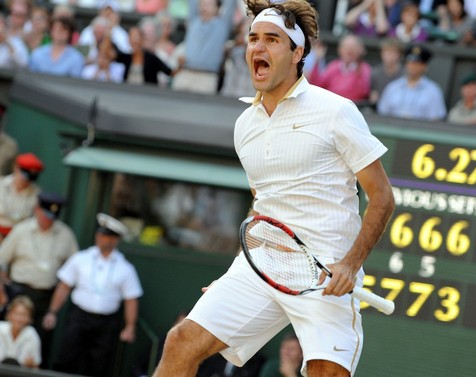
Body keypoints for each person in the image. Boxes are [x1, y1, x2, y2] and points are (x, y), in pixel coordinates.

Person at [153, 1, 395, 376]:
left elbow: (382, 197)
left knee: (326, 373)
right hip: (262, 264)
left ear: (297, 53)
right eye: (253, 39)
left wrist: (350, 264)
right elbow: (261, 206)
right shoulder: (244, 126)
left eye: (272, 40)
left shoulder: (336, 111)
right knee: (180, 342)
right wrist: (240, 263)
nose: (258, 48)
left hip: (325, 272)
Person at [43, 213, 143, 377]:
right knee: (67, 357)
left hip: (106, 322)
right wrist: (52, 312)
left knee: (98, 365)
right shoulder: (80, 258)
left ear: (115, 240)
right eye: (100, 234)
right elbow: (64, 287)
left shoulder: (126, 268)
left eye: (106, 236)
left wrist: (130, 326)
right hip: (79, 316)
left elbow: (131, 299)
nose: (100, 238)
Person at [0, 191, 78, 367]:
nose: (48, 219)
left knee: (40, 342)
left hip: (46, 297)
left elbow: (74, 269)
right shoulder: (21, 230)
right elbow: (1, 260)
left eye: (53, 217)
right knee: (9, 339)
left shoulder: (66, 235)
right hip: (19, 293)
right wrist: (2, 291)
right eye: (45, 215)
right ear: (37, 210)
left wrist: (54, 309)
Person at [172, 0, 237, 94]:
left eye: (209, 4)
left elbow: (230, 4)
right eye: (202, 4)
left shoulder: (222, 26)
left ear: (217, 8)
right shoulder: (193, 21)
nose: (204, 7)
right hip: (185, 73)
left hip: (206, 78)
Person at [377, 44, 447, 120]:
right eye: (410, 62)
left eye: (417, 63)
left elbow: (436, 119)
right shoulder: (392, 87)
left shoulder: (433, 91)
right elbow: (382, 114)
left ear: (425, 66)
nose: (412, 66)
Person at [308, 34, 372, 103]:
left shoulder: (364, 68)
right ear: (340, 49)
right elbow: (317, 85)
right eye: (346, 47)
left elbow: (363, 91)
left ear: (359, 50)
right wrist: (318, 60)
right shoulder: (333, 66)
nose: (349, 51)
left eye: (352, 48)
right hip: (329, 104)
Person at [0, 153, 44, 241]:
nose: (26, 180)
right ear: (16, 168)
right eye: (24, 175)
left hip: (20, 238)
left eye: (30, 178)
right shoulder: (1, 184)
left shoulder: (37, 194)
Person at [0, 295, 41, 368]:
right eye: (16, 313)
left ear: (29, 318)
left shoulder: (32, 335)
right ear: (9, 315)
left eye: (24, 315)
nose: (19, 318)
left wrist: (31, 365)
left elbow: (36, 368)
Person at [369, 38, 404, 106]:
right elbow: (373, 96)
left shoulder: (405, 74)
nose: (389, 55)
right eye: (386, 51)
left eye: (393, 52)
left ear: (399, 54)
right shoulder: (375, 73)